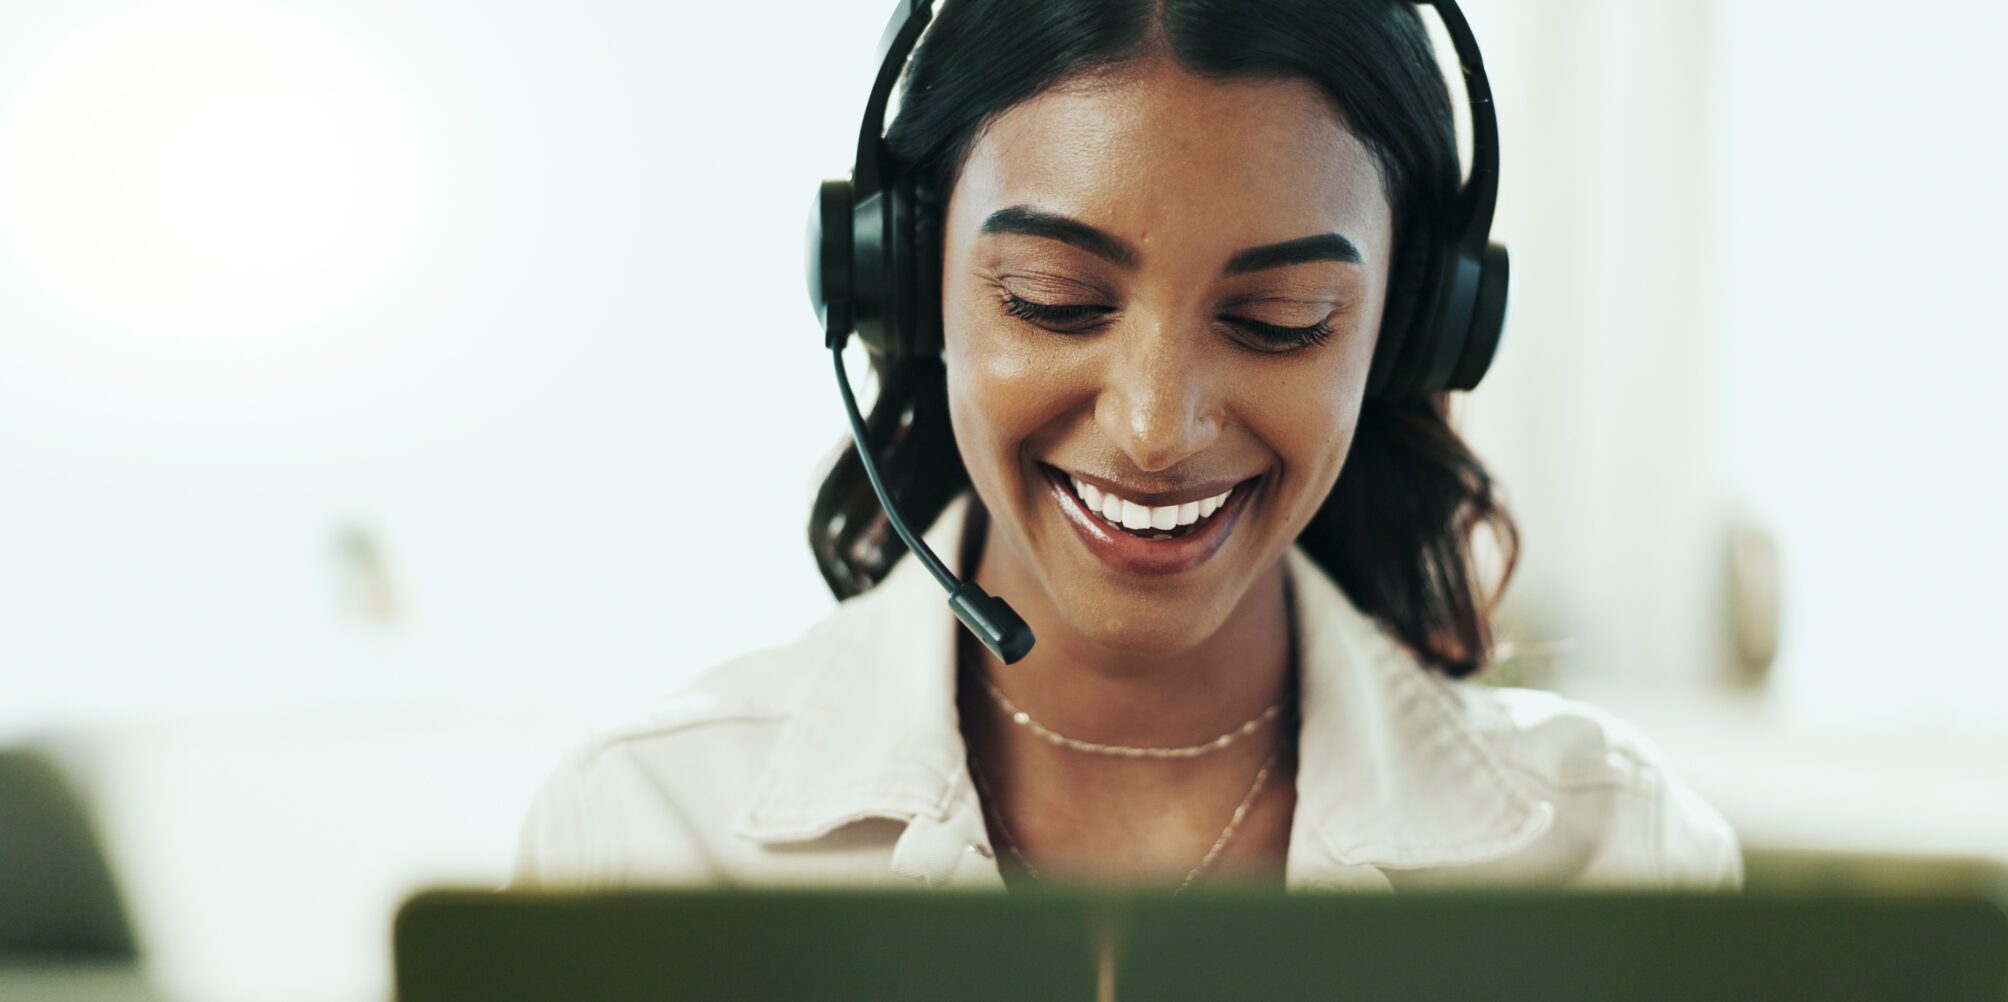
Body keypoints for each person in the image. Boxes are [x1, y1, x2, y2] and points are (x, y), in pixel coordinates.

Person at [512, 0, 1741, 895]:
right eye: (1053, 299)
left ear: (1413, 330)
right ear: (902, 279)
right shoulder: (644, 837)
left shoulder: (1617, 858)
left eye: (1279, 323)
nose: (1156, 429)